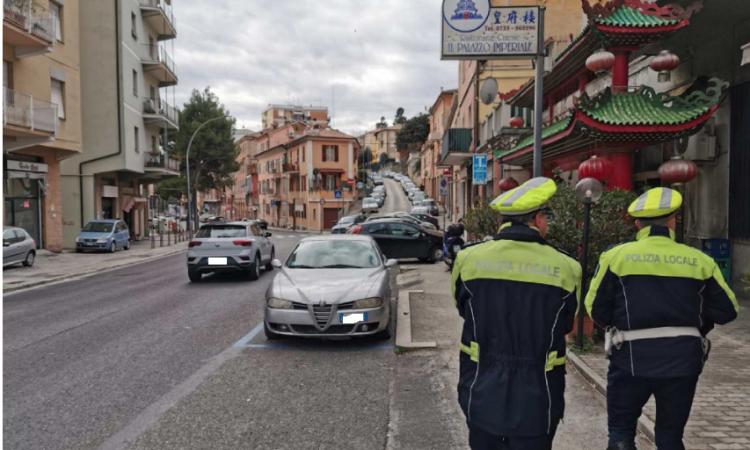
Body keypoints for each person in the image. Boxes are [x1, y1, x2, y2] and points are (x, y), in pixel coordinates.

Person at [585, 187, 738, 450]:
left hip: (630, 357)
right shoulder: (700, 261)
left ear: (637, 224)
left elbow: (595, 308)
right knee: (670, 436)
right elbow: (727, 309)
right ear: (672, 222)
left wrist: (621, 324)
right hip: (683, 360)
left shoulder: (615, 257)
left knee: (621, 433)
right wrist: (695, 326)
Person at [451, 177, 582, 450]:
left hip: (480, 386)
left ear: (503, 221)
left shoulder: (468, 259)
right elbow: (567, 324)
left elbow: (464, 309)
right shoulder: (567, 267)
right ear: (537, 219)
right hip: (539, 395)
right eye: (547, 216)